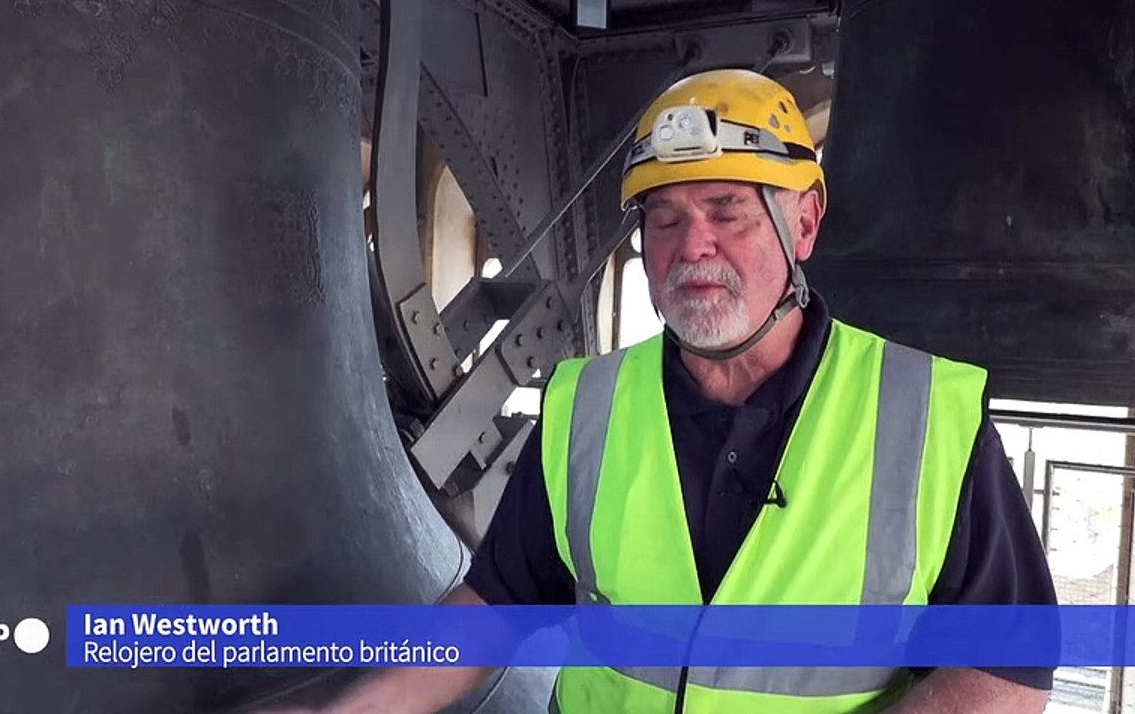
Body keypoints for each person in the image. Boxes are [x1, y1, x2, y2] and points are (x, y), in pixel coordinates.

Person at [271, 69, 1057, 713]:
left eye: (727, 211)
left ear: (805, 222)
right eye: (666, 220)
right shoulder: (585, 408)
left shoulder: (927, 421)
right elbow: (498, 603)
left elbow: (1005, 673)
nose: (692, 247)